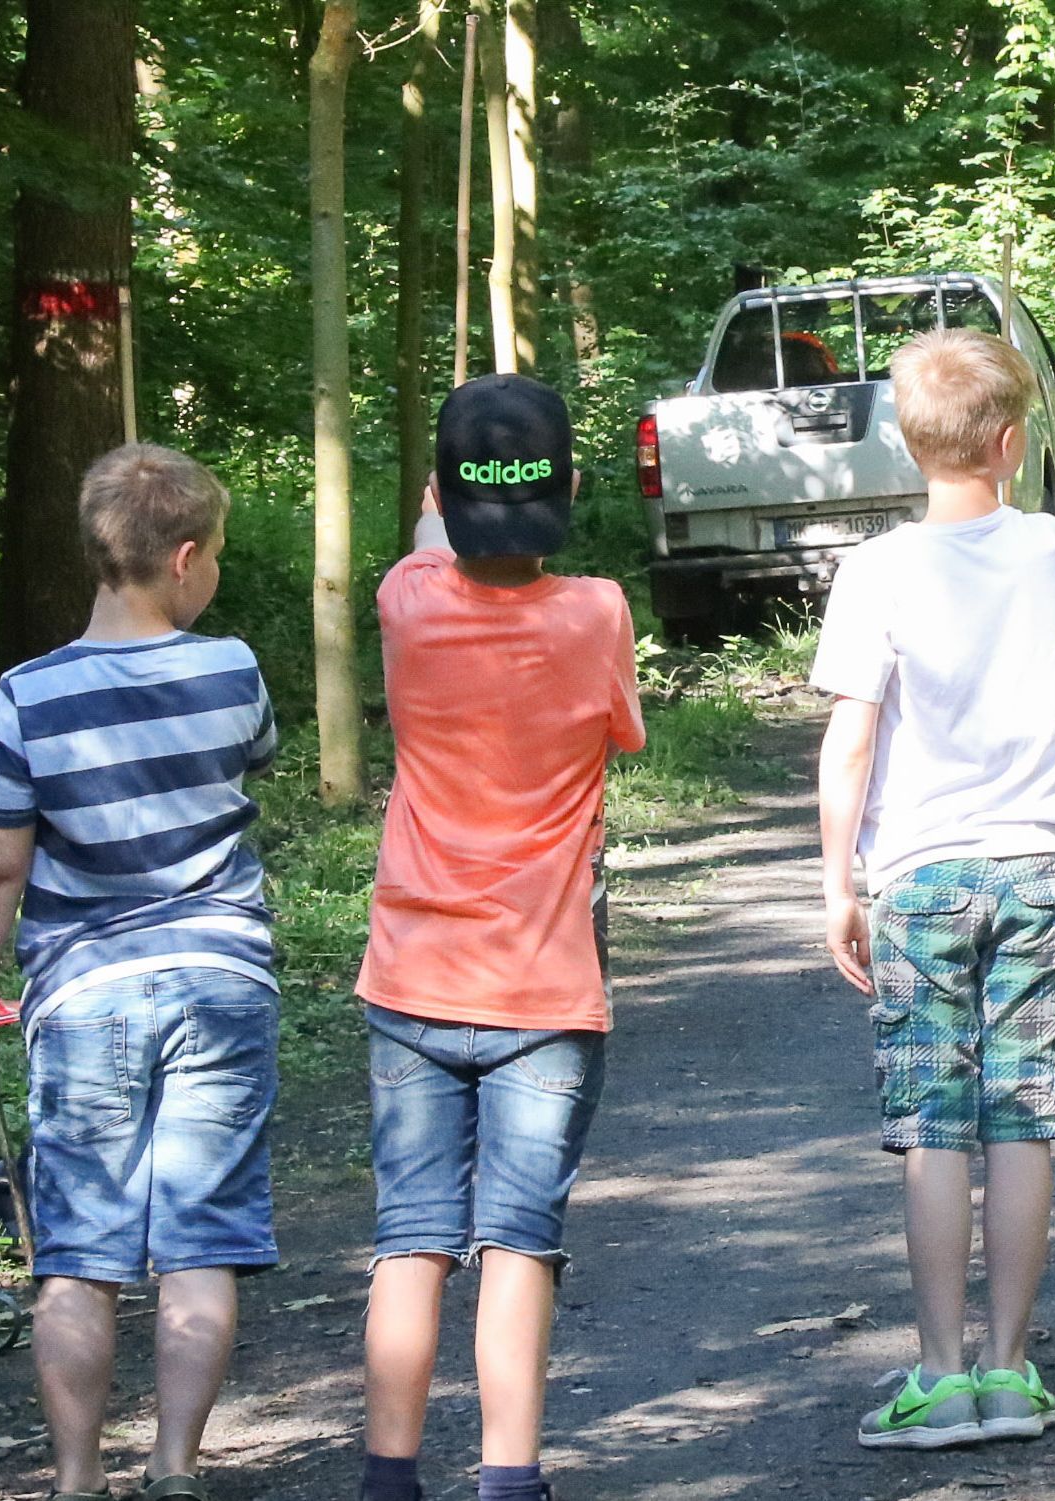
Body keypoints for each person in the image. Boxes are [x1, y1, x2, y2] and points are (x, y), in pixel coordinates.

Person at [0, 443, 287, 1501]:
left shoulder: (26, 696)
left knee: (80, 1251)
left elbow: (0, 863)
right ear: (183, 557)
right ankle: (175, 1470)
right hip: (221, 980)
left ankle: (79, 1479)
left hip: (86, 993)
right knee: (202, 1238)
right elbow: (251, 759)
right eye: (217, 553)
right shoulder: (231, 669)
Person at [354, 374, 648, 1501]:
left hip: (414, 973)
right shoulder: (597, 611)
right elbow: (620, 729)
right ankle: (509, 1479)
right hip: (543, 985)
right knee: (520, 1242)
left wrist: (448, 496)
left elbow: (436, 534)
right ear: (567, 491)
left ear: (439, 495)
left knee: (410, 1239)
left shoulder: (405, 600)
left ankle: (390, 1477)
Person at [811, 327, 1055, 1452]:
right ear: (1012, 443)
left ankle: (937, 1375)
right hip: (1036, 861)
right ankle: (1012, 1369)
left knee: (937, 1121)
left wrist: (840, 881)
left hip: (920, 872)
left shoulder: (875, 571)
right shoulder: (1054, 547)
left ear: (902, 441)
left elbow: (851, 741)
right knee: (1023, 1116)